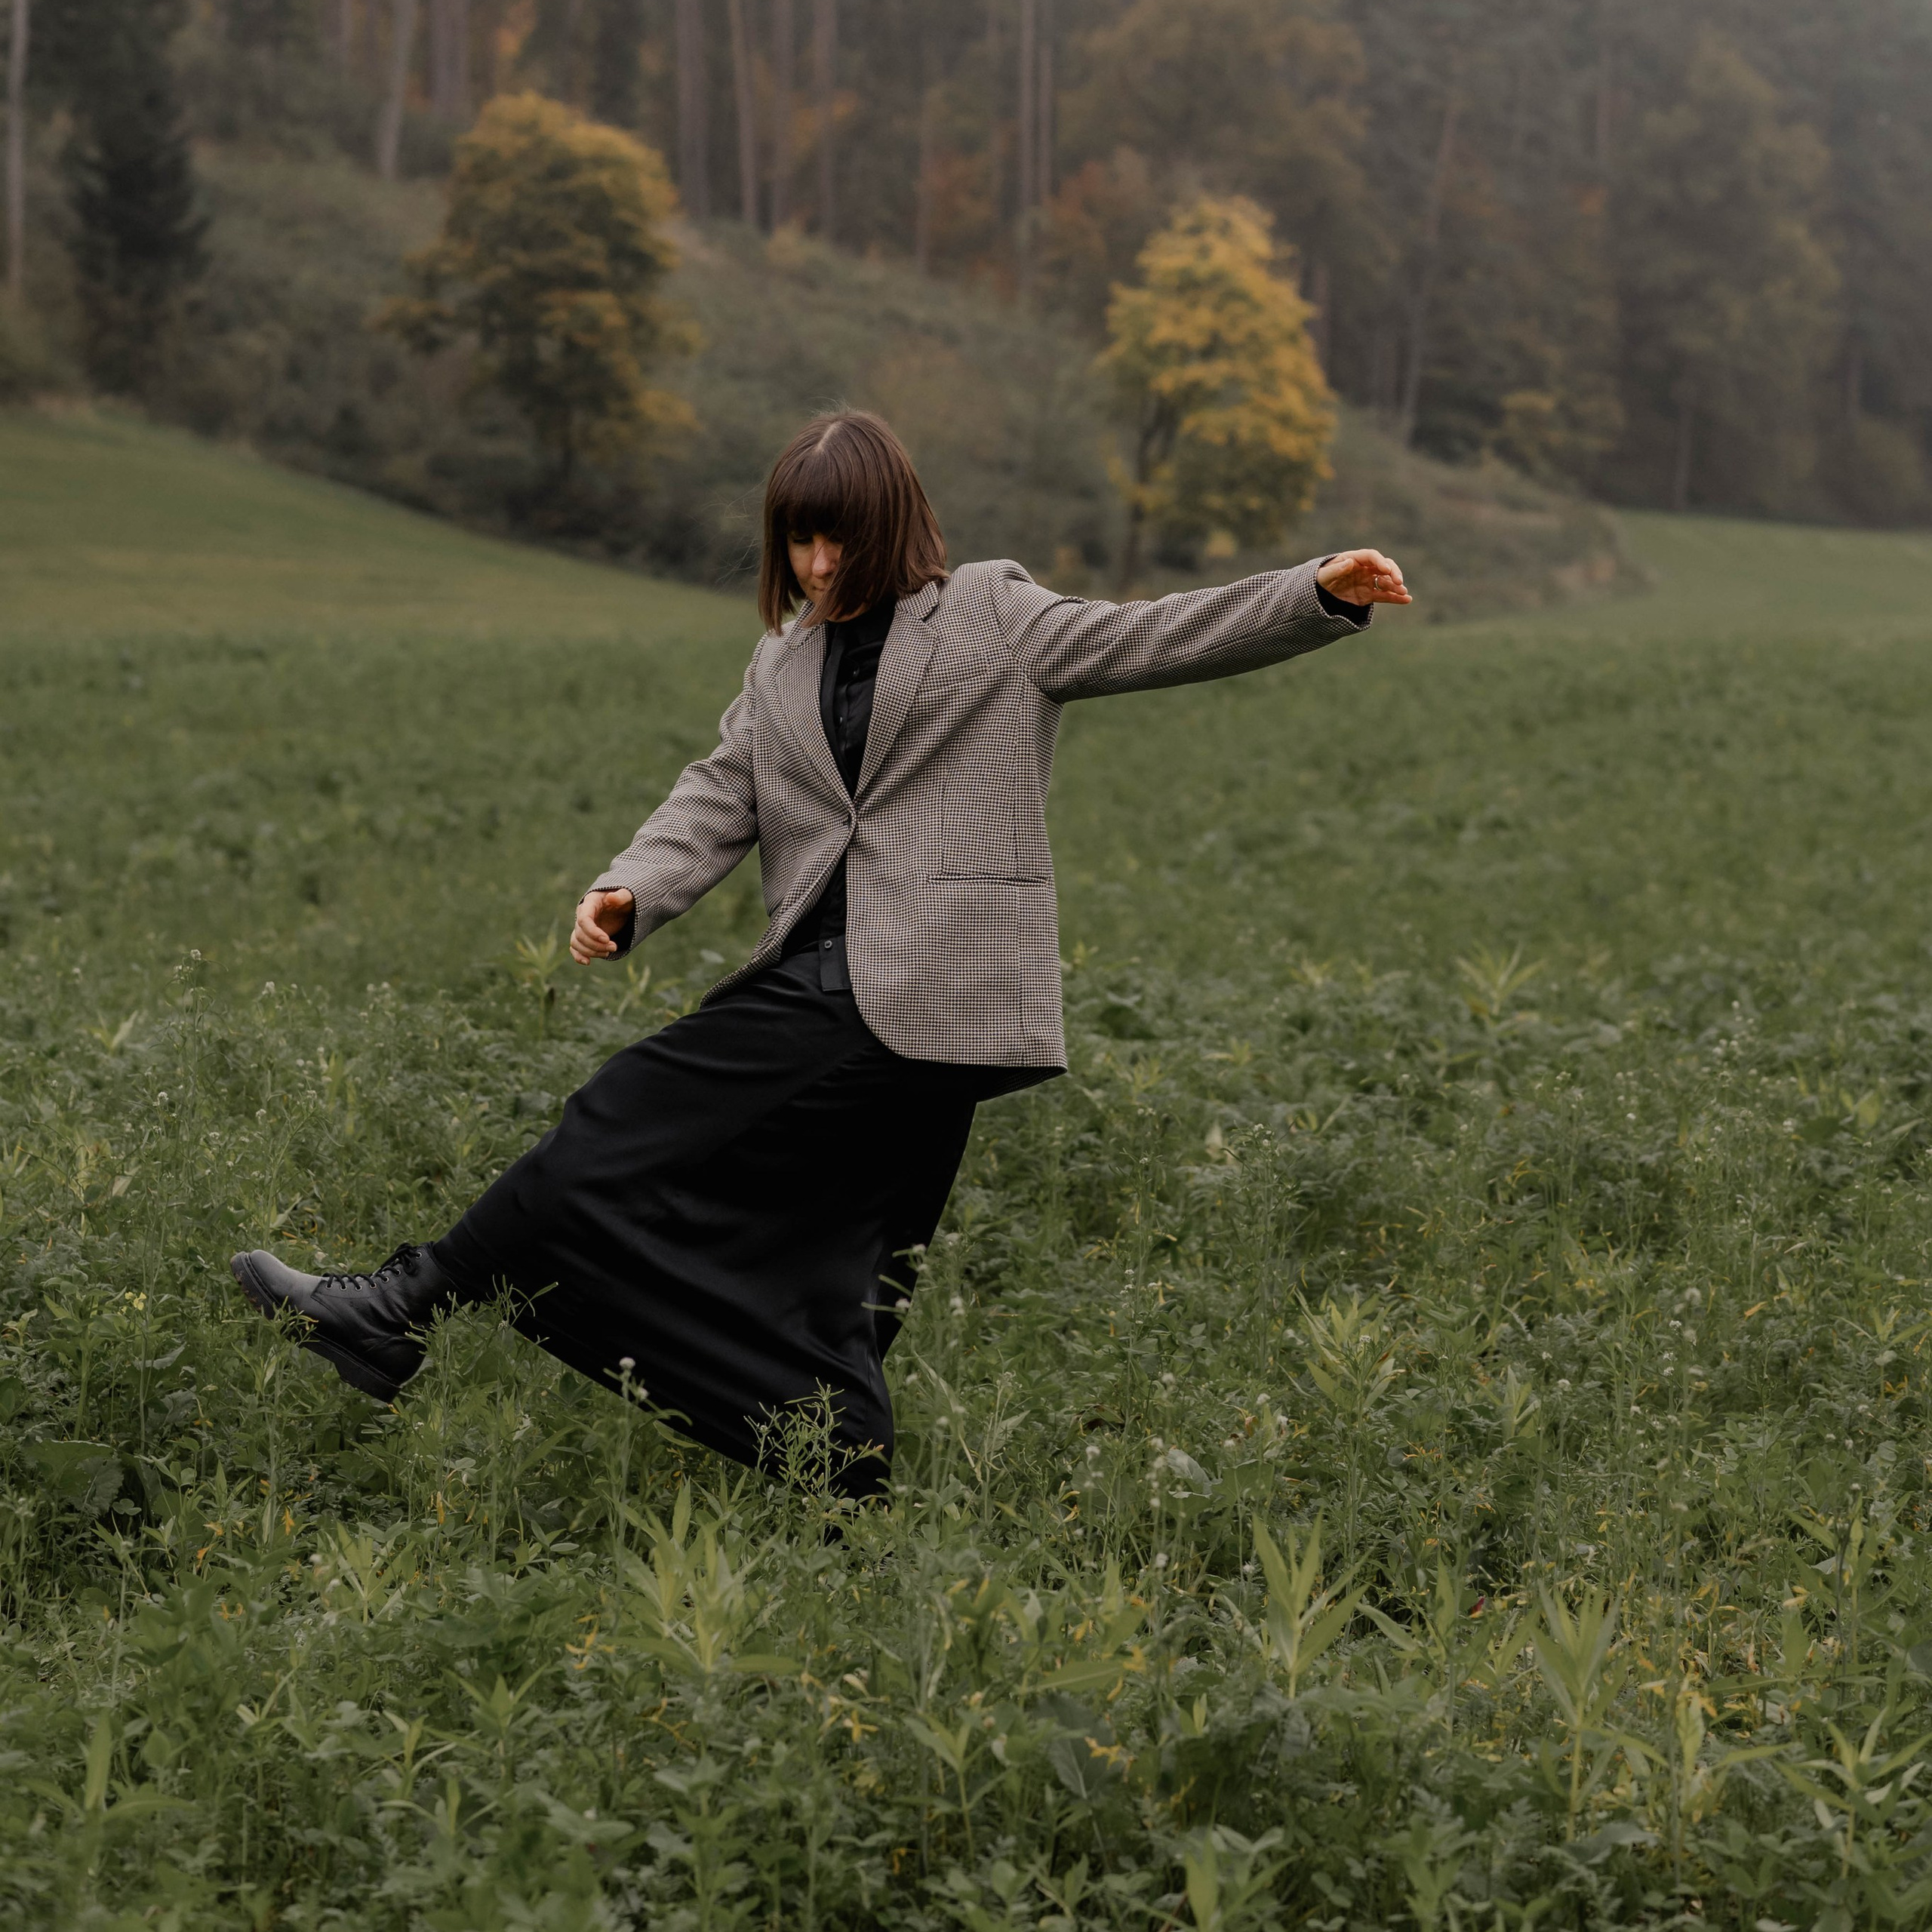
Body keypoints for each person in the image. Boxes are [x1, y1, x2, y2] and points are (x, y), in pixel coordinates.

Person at [230, 410, 1411, 1497]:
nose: (815, 565)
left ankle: (397, 1308)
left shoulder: (993, 614)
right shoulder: (782, 663)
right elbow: (722, 791)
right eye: (797, 540)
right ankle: (837, 1469)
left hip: (928, 985)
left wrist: (1312, 591)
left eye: (836, 538)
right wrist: (629, 889)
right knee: (829, 1260)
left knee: (618, 1117)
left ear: (890, 525)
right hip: (831, 983)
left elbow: (1150, 635)